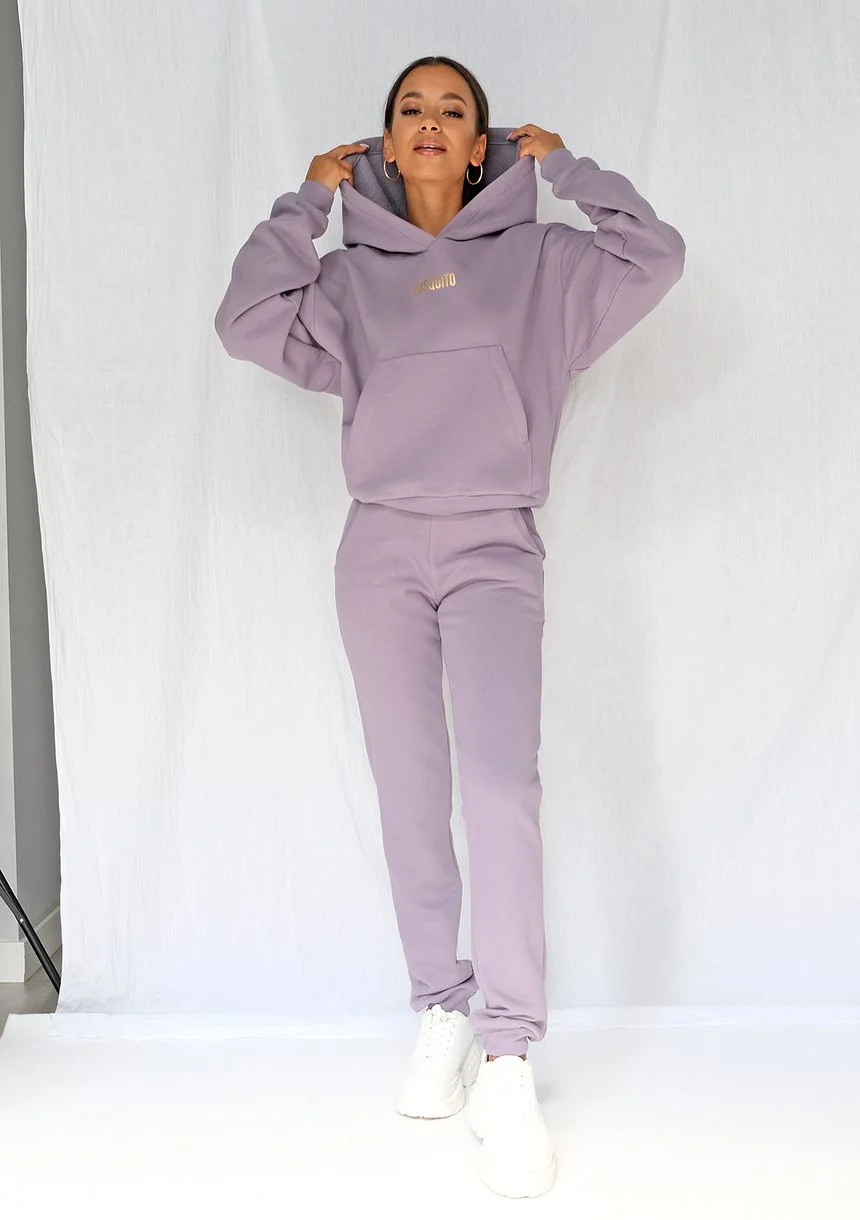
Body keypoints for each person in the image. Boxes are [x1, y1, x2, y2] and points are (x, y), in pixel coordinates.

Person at [214, 54, 685, 1199]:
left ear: (481, 145)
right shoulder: (345, 278)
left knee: (500, 786)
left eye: (453, 110)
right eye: (410, 110)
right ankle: (442, 1004)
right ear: (383, 143)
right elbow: (244, 320)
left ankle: (509, 1053)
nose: (430, 121)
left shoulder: (541, 262)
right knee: (408, 790)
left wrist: (566, 168)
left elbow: (654, 256)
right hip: (376, 547)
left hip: (491, 546)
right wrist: (305, 199)